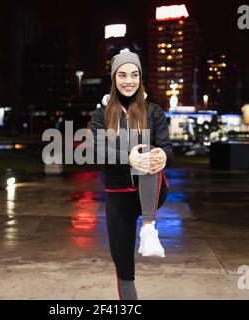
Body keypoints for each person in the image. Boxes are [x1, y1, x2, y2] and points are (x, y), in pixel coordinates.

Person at [90, 51, 174, 300]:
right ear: (114, 79)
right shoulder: (101, 114)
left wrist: (163, 156)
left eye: (134, 75)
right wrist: (128, 158)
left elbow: (168, 149)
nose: (129, 81)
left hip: (150, 191)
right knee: (124, 266)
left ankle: (149, 227)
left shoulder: (154, 111)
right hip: (118, 197)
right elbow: (98, 149)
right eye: (123, 75)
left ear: (140, 77)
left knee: (149, 149)